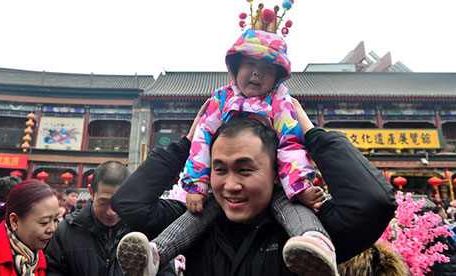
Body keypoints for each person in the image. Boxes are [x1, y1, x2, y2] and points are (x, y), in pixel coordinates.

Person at [118, 29, 336, 275]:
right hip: (220, 192)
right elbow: (201, 143)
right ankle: (156, 253)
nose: (256, 72)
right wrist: (197, 186)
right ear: (234, 68)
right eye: (250, 64)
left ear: (277, 76)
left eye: (266, 68)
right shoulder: (220, 100)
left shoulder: (281, 102)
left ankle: (316, 244)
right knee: (196, 216)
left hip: (276, 184)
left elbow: (290, 144)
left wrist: (299, 187)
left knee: (293, 208)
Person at [112, 99, 397, 275]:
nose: (230, 185)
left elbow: (374, 202)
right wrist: (188, 144)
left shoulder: (310, 235)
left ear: (276, 172)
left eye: (245, 169)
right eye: (219, 169)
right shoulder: (194, 222)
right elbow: (128, 202)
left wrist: (312, 134)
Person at [45, 161, 177, 276]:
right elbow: (53, 270)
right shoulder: (66, 230)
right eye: (103, 202)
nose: (111, 212)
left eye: (118, 204)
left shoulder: (148, 230)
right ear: (91, 192)